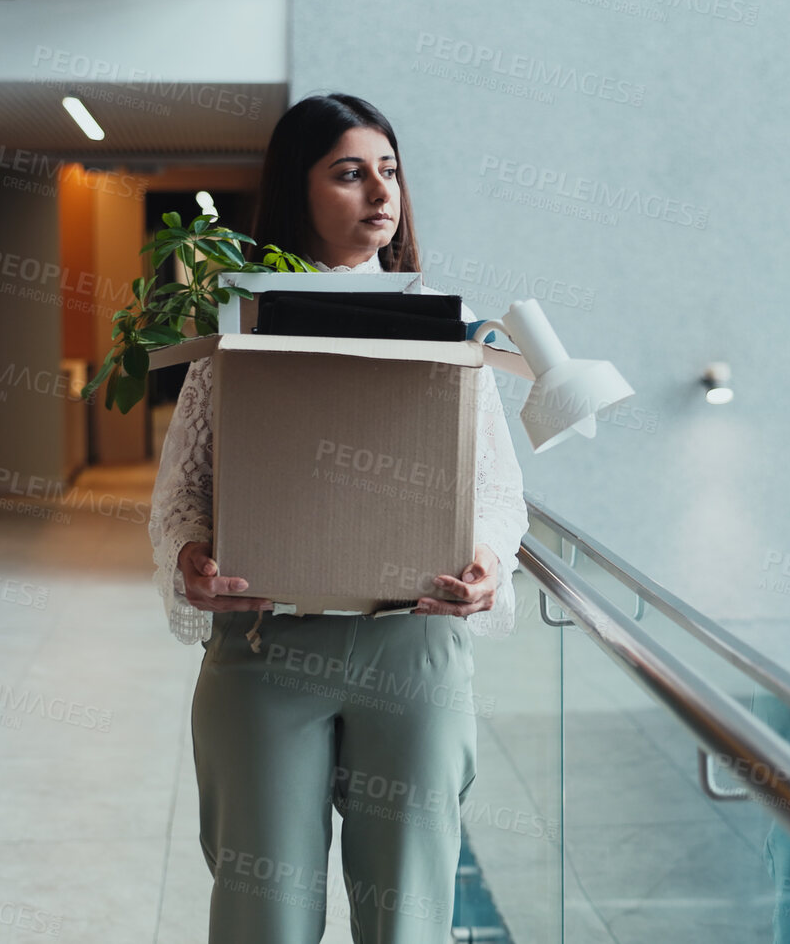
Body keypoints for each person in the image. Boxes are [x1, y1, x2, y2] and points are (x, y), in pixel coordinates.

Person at [147, 93, 529, 944]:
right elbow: (182, 490)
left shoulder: (447, 325)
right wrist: (190, 554)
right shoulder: (238, 324)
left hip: (413, 646)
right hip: (264, 648)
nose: (380, 192)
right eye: (350, 173)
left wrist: (489, 560)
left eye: (388, 170)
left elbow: (499, 489)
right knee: (263, 920)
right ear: (299, 188)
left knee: (409, 920)